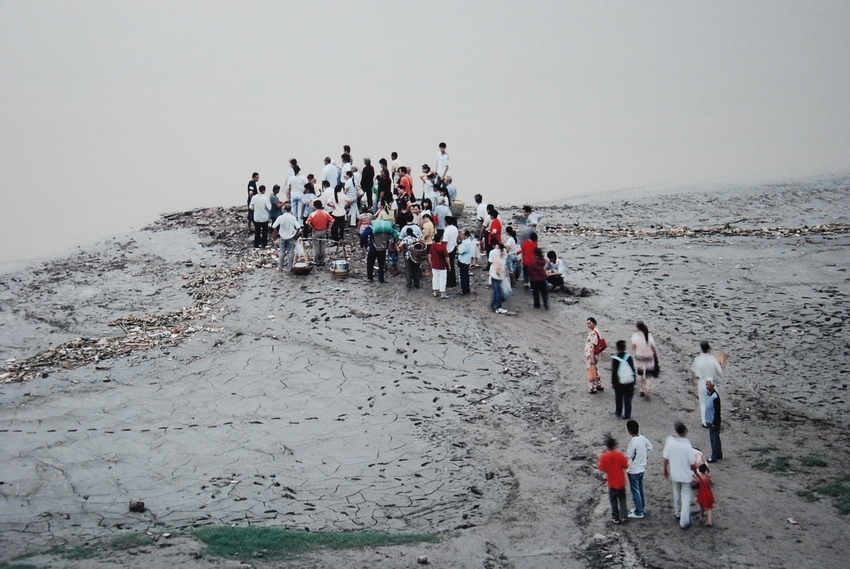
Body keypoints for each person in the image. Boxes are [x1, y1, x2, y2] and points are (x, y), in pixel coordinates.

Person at [663, 422, 697, 529]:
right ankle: (684, 521)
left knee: (676, 493)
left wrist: (665, 470)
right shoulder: (687, 445)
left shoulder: (670, 441)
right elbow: (692, 464)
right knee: (685, 498)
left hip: (674, 473)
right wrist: (696, 474)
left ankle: (678, 513)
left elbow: (665, 458)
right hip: (685, 475)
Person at [598, 436, 630, 524]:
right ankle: (624, 516)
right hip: (620, 481)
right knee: (622, 499)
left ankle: (615, 517)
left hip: (611, 483)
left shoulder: (604, 456)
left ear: (607, 446)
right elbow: (626, 465)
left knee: (613, 501)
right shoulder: (619, 454)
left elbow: (601, 468)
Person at [691, 341, 723, 427]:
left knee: (703, 403)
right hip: (712, 382)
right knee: (714, 402)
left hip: (702, 382)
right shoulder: (713, 359)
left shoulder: (698, 360)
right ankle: (713, 419)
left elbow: (697, 374)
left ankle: (705, 422)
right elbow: (720, 371)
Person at [626, 420, 653, 519]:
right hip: (642, 468)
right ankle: (641, 507)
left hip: (634, 470)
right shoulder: (643, 438)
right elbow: (650, 447)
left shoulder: (633, 442)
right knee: (640, 488)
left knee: (635, 491)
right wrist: (645, 456)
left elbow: (630, 455)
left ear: (629, 431)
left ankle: (639, 511)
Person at [631, 321, 659, 399]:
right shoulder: (649, 336)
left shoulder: (635, 336)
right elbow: (653, 348)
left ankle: (641, 389)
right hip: (649, 357)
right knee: (648, 375)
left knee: (640, 374)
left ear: (638, 328)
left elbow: (633, 347)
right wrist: (656, 356)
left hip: (639, 357)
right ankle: (648, 390)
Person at [271, 203, 301, 271]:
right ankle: (291, 267)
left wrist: (277, 232)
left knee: (282, 252)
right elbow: (298, 227)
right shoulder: (293, 218)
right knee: (291, 252)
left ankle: (280, 267)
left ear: (284, 209)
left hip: (282, 236)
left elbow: (273, 226)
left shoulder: (280, 217)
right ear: (290, 210)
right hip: (291, 236)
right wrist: (296, 234)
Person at [612, 340, 636, 419]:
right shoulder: (628, 357)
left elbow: (614, 372)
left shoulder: (615, 359)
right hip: (629, 382)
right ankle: (627, 414)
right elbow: (632, 369)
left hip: (619, 383)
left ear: (617, 348)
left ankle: (618, 412)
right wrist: (634, 380)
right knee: (628, 399)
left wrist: (613, 382)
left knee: (619, 398)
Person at [305, 199, 334, 265]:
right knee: (323, 246)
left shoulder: (313, 214)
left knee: (316, 246)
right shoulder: (326, 213)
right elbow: (332, 220)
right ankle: (322, 260)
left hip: (316, 231)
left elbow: (307, 222)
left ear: (315, 206)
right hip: (323, 230)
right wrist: (329, 228)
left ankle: (317, 260)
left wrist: (312, 228)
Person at [585, 317, 604, 393]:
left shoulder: (593, 333)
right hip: (595, 354)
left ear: (594, 323)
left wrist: (592, 357)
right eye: (587, 323)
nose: (588, 325)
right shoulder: (597, 331)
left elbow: (593, 345)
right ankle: (599, 384)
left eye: (590, 323)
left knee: (591, 369)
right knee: (595, 369)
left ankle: (593, 387)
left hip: (591, 354)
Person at [705, 380, 722, 462]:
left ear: (713, 386)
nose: (707, 386)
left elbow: (717, 411)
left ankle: (714, 456)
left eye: (708, 385)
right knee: (715, 439)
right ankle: (718, 454)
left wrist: (715, 422)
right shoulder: (710, 395)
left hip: (713, 421)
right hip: (710, 420)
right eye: (706, 384)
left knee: (714, 439)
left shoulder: (715, 397)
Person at [489, 240, 508, 314]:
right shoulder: (500, 259)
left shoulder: (494, 254)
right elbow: (498, 269)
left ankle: (493, 305)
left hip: (494, 275)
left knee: (496, 291)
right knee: (498, 292)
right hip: (497, 276)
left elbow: (490, 262)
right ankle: (498, 307)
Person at [443, 216, 459, 288]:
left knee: (448, 265)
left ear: (446, 222)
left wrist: (443, 249)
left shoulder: (447, 229)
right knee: (452, 264)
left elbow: (445, 241)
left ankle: (451, 281)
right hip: (454, 247)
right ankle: (453, 280)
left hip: (448, 248)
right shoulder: (455, 228)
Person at [456, 229, 474, 295]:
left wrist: (458, 248)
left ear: (466, 235)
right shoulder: (466, 241)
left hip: (464, 261)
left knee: (464, 276)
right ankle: (465, 289)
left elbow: (460, 251)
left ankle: (465, 290)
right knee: (464, 275)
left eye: (462, 234)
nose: (460, 235)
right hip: (464, 260)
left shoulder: (466, 243)